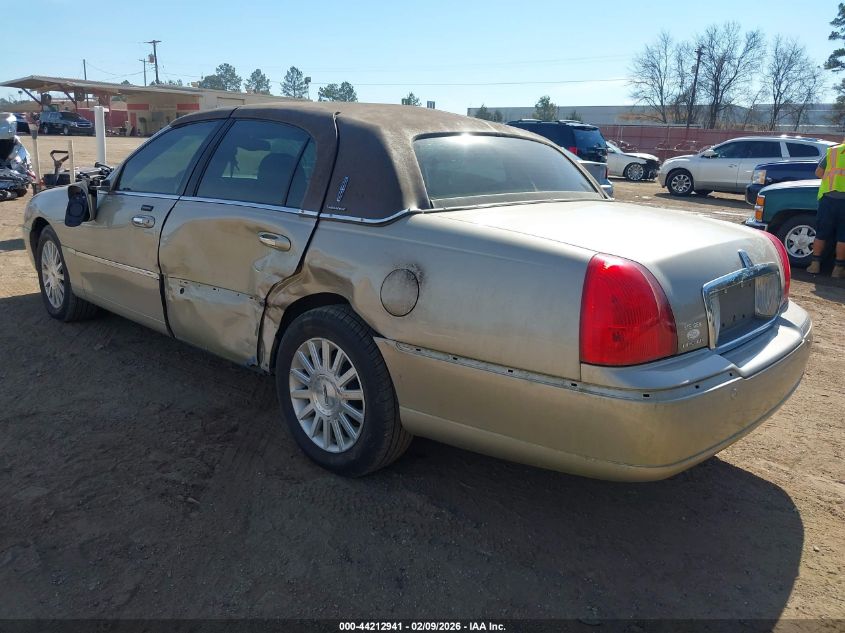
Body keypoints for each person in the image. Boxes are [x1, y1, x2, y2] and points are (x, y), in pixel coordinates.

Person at [810, 141, 845, 277]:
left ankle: (814, 265)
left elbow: (818, 172)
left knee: (821, 233)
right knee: (843, 236)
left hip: (828, 198)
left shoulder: (833, 151)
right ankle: (838, 269)